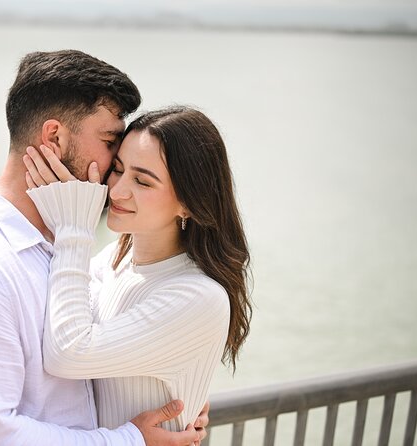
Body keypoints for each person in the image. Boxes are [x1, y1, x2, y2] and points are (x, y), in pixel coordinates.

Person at [0, 51, 208, 445]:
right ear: (54, 138)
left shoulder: (62, 243)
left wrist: (179, 398)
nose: (116, 162)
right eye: (109, 142)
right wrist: (127, 441)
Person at [24, 105, 252, 433]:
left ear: (189, 201)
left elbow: (67, 354)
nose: (116, 191)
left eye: (142, 181)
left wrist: (74, 227)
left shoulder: (199, 297)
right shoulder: (110, 262)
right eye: (117, 169)